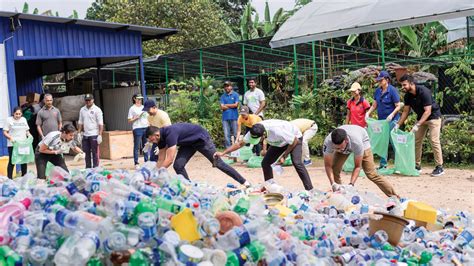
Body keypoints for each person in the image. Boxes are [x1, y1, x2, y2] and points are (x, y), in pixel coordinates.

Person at [216, 119, 314, 191]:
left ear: (263, 135)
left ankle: (310, 190)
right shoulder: (254, 131)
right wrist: (224, 153)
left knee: (297, 163)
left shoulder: (277, 130)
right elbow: (239, 144)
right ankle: (270, 186)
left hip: (294, 138)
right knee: (265, 163)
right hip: (278, 143)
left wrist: (284, 156)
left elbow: (294, 141)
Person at [146, 124, 250, 187]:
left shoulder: (170, 133)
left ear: (156, 134)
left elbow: (169, 160)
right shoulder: (159, 140)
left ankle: (244, 182)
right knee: (178, 166)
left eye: (152, 139)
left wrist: (156, 174)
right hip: (187, 144)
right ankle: (189, 188)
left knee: (218, 163)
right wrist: (154, 173)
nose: (152, 142)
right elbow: (160, 159)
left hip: (201, 139)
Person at [322, 125, 398, 197]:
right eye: (336, 148)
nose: (339, 150)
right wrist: (333, 184)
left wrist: (351, 184)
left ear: (346, 141)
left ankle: (394, 196)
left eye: (340, 147)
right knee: (334, 168)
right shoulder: (328, 142)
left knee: (371, 174)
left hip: (362, 138)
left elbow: (358, 166)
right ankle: (339, 194)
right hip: (349, 141)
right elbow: (328, 166)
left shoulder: (357, 142)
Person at [396, 74, 444, 176]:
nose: (402, 87)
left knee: (434, 140)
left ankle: (439, 167)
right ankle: (417, 166)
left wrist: (417, 125)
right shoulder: (408, 95)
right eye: (402, 85)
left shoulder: (424, 91)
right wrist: (398, 125)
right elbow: (405, 112)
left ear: (411, 83)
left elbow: (428, 111)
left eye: (404, 85)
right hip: (421, 119)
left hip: (433, 117)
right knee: (416, 141)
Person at [366, 71, 401, 168]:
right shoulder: (378, 91)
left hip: (392, 120)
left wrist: (391, 115)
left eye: (381, 80)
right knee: (383, 141)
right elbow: (374, 104)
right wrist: (368, 113)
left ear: (387, 80)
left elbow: (398, 106)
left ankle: (399, 164)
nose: (379, 82)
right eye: (378, 80)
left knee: (393, 141)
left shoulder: (392, 90)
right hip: (382, 121)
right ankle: (383, 164)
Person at [77, 94, 104, 168]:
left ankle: (96, 168)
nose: (88, 101)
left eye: (89, 100)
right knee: (86, 153)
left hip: (94, 134)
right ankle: (88, 168)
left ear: (93, 100)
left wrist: (100, 135)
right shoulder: (82, 109)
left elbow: (100, 123)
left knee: (95, 153)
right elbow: (80, 122)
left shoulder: (97, 110)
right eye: (86, 100)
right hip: (86, 135)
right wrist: (79, 133)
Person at [3, 107, 30, 179]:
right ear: (13, 113)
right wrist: (10, 138)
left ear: (21, 114)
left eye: (19, 114)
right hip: (13, 144)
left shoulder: (23, 119)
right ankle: (9, 179)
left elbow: (27, 131)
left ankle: (24, 178)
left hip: (23, 144)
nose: (18, 115)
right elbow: (5, 132)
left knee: (24, 161)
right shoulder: (9, 120)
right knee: (12, 161)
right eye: (16, 114)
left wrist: (30, 136)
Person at [128, 93, 149, 168]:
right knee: (137, 146)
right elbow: (129, 120)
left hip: (146, 127)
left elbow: (147, 117)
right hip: (137, 128)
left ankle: (147, 162)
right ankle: (136, 163)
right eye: (138, 98)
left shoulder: (144, 107)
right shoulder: (132, 108)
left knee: (146, 145)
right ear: (134, 99)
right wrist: (136, 118)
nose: (140, 100)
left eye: (141, 99)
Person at [220, 81, 240, 148]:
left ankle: (236, 148)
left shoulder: (235, 95)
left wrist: (226, 105)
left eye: (228, 86)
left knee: (235, 134)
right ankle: (228, 149)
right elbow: (222, 107)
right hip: (225, 118)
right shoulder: (223, 96)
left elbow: (236, 105)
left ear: (231, 86)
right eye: (225, 86)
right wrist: (231, 105)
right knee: (226, 135)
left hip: (234, 117)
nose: (226, 87)